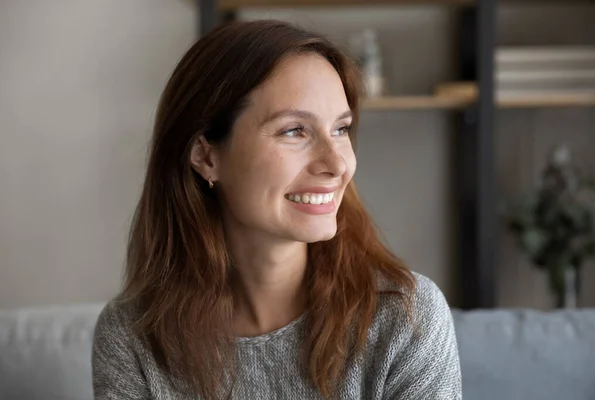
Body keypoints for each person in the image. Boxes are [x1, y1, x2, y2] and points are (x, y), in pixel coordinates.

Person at [92, 19, 462, 400]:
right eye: (294, 131)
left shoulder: (406, 317)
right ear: (206, 156)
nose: (336, 165)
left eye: (341, 129)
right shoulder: (132, 336)